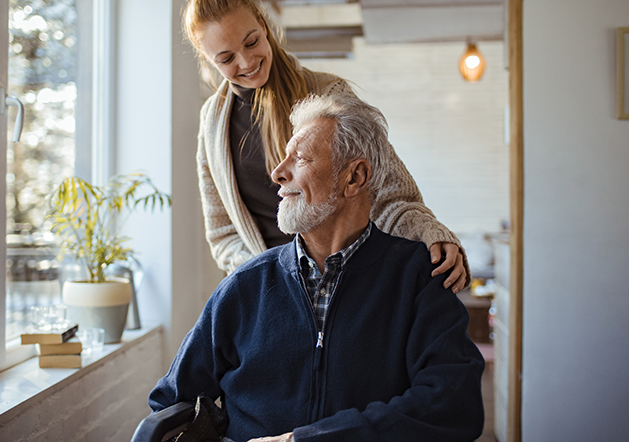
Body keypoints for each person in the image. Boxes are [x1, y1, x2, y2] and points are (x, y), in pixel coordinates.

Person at [149, 93, 485, 442]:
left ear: (354, 178)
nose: (278, 173)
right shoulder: (245, 285)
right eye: (283, 159)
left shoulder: (418, 280)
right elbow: (169, 403)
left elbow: (453, 403)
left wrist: (306, 439)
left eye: (301, 159)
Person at [185, 0, 470, 293]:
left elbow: (388, 193)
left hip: (348, 286)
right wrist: (264, 276)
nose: (247, 61)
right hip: (270, 295)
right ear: (208, 60)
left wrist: (429, 232)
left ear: (264, 26)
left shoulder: (328, 94)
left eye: (252, 42)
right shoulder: (212, 123)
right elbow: (222, 232)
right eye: (226, 58)